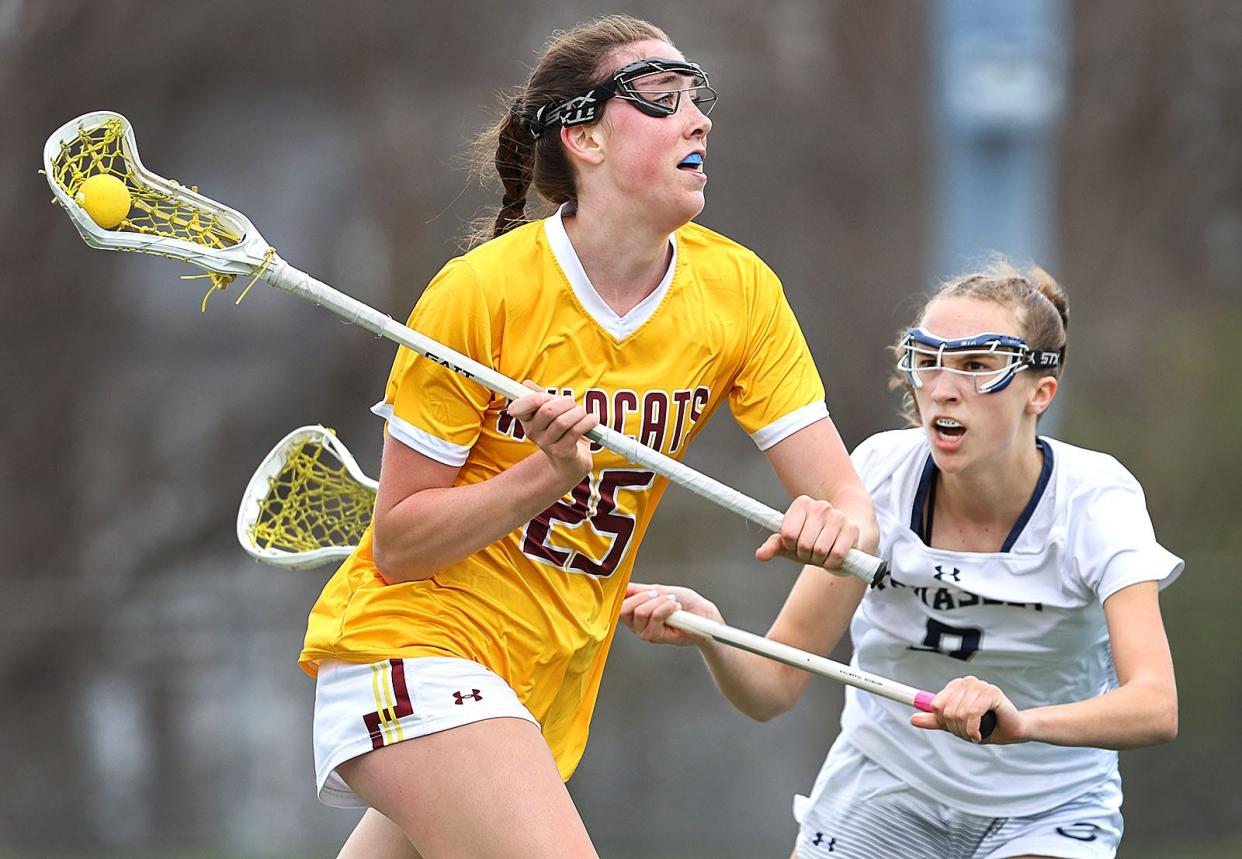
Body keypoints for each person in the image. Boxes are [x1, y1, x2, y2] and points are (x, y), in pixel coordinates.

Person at [297, 14, 878, 859]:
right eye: (661, 100)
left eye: (697, 100)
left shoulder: (739, 293)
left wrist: (836, 524)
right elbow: (399, 541)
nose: (698, 120)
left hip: (535, 682)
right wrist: (544, 474)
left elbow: (848, 503)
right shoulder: (480, 294)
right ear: (585, 138)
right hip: (415, 648)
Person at [623, 261, 1181, 859]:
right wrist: (709, 629)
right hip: (885, 791)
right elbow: (773, 689)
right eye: (929, 359)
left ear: (1040, 391)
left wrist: (1023, 724)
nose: (943, 386)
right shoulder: (880, 476)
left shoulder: (1096, 500)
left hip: (1048, 806)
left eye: (977, 366)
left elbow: (1155, 705)